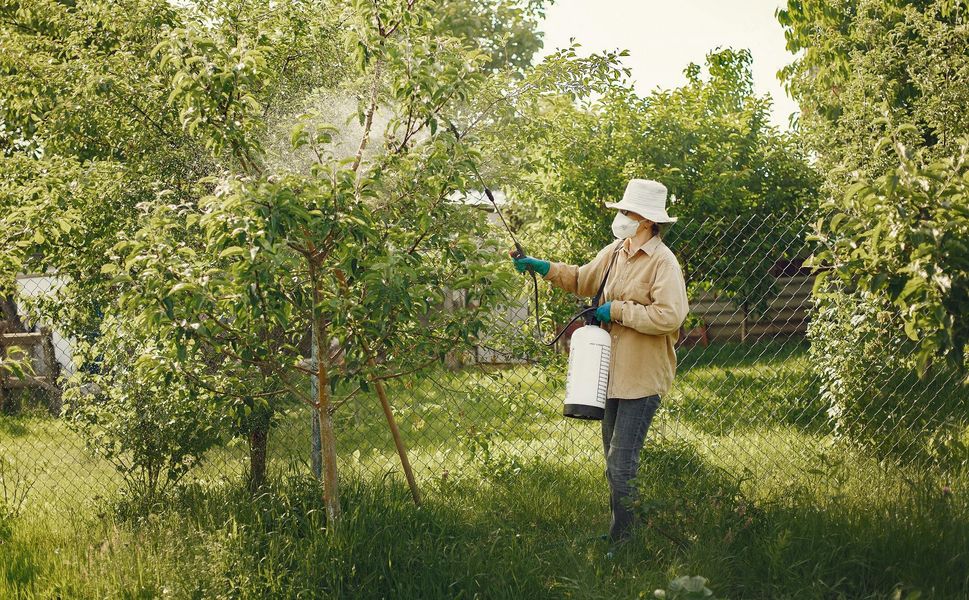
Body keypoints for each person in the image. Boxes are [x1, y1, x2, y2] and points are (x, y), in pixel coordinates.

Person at [512, 179, 689, 544]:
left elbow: (670, 316)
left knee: (622, 465)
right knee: (613, 462)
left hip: (642, 378)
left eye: (627, 212)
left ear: (646, 221)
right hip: (609, 374)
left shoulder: (663, 263)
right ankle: (620, 535)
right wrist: (541, 267)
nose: (621, 217)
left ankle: (624, 543)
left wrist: (619, 310)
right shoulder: (615, 251)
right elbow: (580, 278)